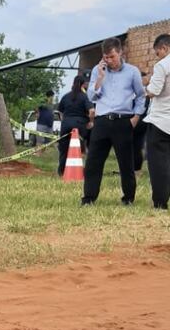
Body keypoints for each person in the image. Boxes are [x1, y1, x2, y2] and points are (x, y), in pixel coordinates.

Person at [81, 37, 145, 206]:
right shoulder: (97, 70)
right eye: (106, 57)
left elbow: (141, 96)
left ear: (120, 52)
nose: (109, 61)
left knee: (126, 163)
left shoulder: (132, 71)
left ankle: (128, 198)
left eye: (112, 57)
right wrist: (100, 77)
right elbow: (91, 96)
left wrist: (136, 117)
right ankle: (89, 198)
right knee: (93, 161)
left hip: (123, 121)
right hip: (102, 121)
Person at [144, 34, 170, 209]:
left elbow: (153, 91)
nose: (157, 56)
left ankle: (160, 202)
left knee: (158, 164)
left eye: (158, 52)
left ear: (164, 48)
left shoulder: (162, 65)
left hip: (160, 121)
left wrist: (145, 86)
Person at [57, 75, 94, 176]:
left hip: (66, 125)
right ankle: (83, 170)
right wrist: (91, 122)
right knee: (83, 147)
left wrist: (64, 120)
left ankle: (61, 171)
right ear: (83, 85)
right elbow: (92, 111)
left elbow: (60, 111)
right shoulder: (84, 96)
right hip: (80, 125)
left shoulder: (66, 96)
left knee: (64, 149)